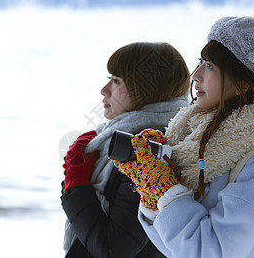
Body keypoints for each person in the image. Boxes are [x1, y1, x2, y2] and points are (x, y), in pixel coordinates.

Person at [115, 17, 254, 257]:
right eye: (200, 62)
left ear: (243, 83)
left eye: (209, 66)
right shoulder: (208, 147)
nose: (195, 75)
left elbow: (212, 251)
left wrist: (168, 194)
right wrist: (152, 195)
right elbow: (174, 249)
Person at [61, 42, 191, 257]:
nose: (104, 90)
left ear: (146, 89)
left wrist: (76, 186)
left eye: (116, 81)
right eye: (109, 79)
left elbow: (114, 249)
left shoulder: (147, 149)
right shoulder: (119, 136)